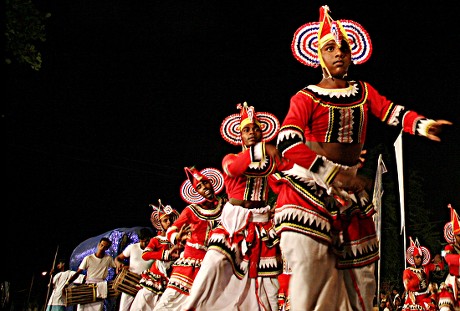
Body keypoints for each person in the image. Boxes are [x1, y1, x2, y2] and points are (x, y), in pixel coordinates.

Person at [272, 5, 452, 311]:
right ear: (318, 57)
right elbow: (288, 142)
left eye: (344, 47)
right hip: (310, 187)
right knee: (310, 273)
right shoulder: (305, 97)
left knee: (362, 277)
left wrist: (422, 125)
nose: (339, 53)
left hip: (350, 190)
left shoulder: (364, 92)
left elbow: (392, 112)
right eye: (330, 48)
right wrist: (332, 174)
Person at [183, 102, 286, 311]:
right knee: (212, 266)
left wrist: (335, 169)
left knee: (268, 279)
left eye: (256, 129)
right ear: (240, 135)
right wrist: (261, 149)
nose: (252, 133)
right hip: (233, 223)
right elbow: (234, 169)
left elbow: (291, 175)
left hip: (261, 224)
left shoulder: (270, 163)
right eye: (247, 130)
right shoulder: (230, 158)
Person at [152, 166, 226, 310]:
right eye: (199, 186)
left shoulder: (225, 206)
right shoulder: (191, 211)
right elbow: (171, 231)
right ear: (196, 192)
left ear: (212, 182)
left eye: (205, 182)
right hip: (190, 264)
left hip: (214, 265)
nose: (204, 187)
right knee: (168, 303)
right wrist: (177, 236)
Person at [130, 200, 181, 310]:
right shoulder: (157, 240)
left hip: (171, 279)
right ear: (160, 224)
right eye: (165, 220)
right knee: (142, 304)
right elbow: (145, 254)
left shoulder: (177, 239)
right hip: (155, 278)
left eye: (170, 219)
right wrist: (165, 255)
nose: (169, 222)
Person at [64, 237, 116, 311]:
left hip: (100, 287)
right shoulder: (88, 258)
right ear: (98, 245)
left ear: (107, 248)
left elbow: (116, 268)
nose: (102, 247)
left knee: (97, 308)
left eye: (105, 247)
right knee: (83, 307)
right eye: (101, 245)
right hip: (88, 286)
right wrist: (67, 283)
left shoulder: (108, 259)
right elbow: (78, 272)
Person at [114, 228, 154, 311]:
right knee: (123, 308)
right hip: (130, 282)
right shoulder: (132, 247)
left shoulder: (154, 251)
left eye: (148, 240)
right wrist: (119, 264)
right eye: (144, 241)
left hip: (145, 285)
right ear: (140, 240)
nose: (146, 243)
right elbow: (118, 258)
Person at [401, 237, 437, 311]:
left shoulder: (426, 267)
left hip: (426, 298)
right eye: (417, 257)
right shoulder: (407, 271)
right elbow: (407, 286)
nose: (420, 259)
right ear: (412, 258)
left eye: (421, 257)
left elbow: (440, 267)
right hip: (413, 299)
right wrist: (418, 280)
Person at [438, 204, 460, 311]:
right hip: (453, 281)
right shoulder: (449, 247)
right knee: (445, 305)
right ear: (454, 236)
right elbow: (446, 257)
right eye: (459, 235)